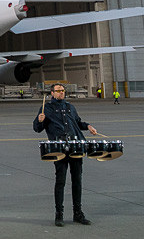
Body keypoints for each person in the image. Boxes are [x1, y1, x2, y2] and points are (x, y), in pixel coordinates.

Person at [33, 83, 98, 227]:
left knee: (77, 181)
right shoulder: (46, 108)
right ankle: (59, 215)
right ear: (52, 93)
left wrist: (88, 126)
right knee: (60, 182)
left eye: (63, 91)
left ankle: (78, 213)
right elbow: (37, 129)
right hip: (59, 150)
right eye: (58, 91)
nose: (61, 93)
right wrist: (39, 120)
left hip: (75, 147)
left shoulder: (70, 107)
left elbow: (78, 122)